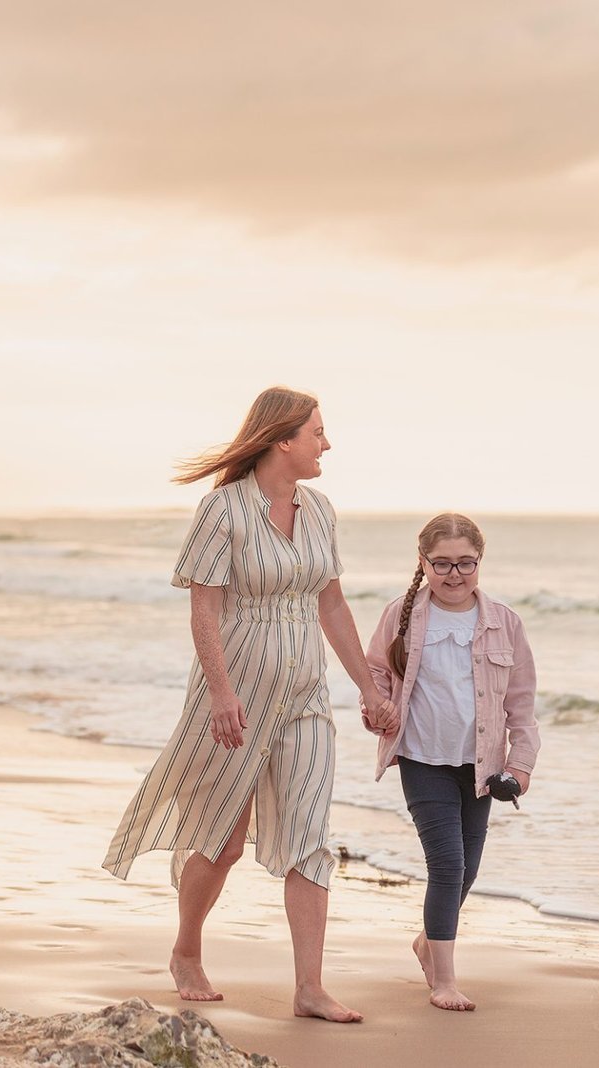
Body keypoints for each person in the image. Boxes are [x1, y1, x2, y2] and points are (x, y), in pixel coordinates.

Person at [103, 386, 397, 1023]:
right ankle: (186, 950)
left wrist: (369, 689)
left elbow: (331, 604)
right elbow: (204, 609)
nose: (327, 444)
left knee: (310, 836)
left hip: (305, 695)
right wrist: (220, 692)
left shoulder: (320, 511)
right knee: (223, 838)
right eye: (317, 432)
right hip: (234, 695)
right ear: (283, 440)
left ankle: (310, 987)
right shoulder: (223, 510)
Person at [364, 512, 539, 1011]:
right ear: (423, 562)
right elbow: (376, 672)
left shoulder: (504, 622)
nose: (454, 574)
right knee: (446, 865)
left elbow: (522, 702)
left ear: (480, 561)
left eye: (466, 563)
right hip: (421, 758)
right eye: (442, 563)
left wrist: (521, 765)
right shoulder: (402, 615)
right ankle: (444, 980)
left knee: (469, 869)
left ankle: (428, 942)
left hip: (481, 766)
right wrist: (376, 709)